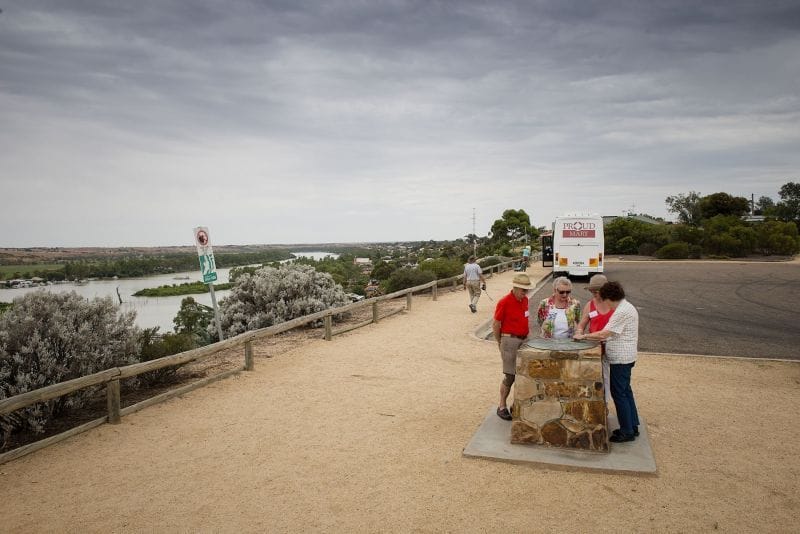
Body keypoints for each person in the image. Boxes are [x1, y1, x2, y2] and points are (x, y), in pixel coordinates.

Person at [574, 281, 641, 443]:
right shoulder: (626, 307)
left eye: (605, 300)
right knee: (626, 391)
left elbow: (605, 333)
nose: (605, 304)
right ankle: (632, 425)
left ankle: (626, 431)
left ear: (610, 298)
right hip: (626, 357)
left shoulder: (621, 311)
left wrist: (583, 336)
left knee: (619, 393)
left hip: (621, 358)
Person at [492, 273, 532, 420]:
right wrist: (499, 341)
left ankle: (516, 405)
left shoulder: (525, 300)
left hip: (523, 340)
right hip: (509, 340)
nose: (525, 292)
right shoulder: (504, 302)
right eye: (523, 289)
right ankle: (501, 406)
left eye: (526, 289)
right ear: (515, 288)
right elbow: (496, 324)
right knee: (510, 376)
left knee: (523, 375)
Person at [576, 274, 612, 401]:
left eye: (596, 291)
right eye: (592, 291)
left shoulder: (614, 304)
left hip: (611, 348)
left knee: (607, 378)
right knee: (592, 378)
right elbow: (582, 324)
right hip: (594, 348)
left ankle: (605, 404)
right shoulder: (590, 305)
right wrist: (579, 331)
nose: (594, 294)